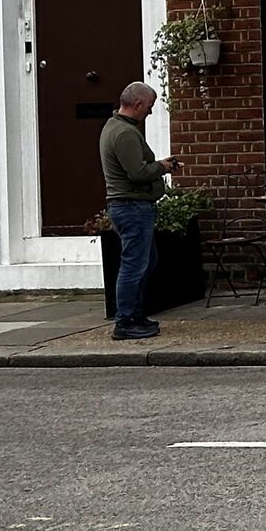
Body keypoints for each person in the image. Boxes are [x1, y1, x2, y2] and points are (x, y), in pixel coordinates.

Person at [100, 81, 178, 341]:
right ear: (138, 104)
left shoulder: (115, 127)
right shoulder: (125, 133)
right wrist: (162, 167)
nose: (150, 111)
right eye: (149, 106)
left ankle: (135, 314)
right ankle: (125, 321)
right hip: (131, 206)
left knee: (145, 262)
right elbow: (137, 173)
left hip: (128, 206)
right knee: (133, 265)